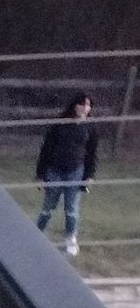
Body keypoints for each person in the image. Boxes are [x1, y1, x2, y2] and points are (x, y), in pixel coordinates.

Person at [35, 93, 97, 257]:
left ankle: (70, 241)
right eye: (82, 104)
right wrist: (40, 175)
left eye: (88, 105)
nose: (85, 108)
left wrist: (89, 175)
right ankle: (36, 236)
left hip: (75, 172)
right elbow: (46, 149)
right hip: (54, 170)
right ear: (74, 105)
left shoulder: (90, 128)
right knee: (48, 207)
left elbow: (91, 154)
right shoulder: (60, 124)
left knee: (71, 209)